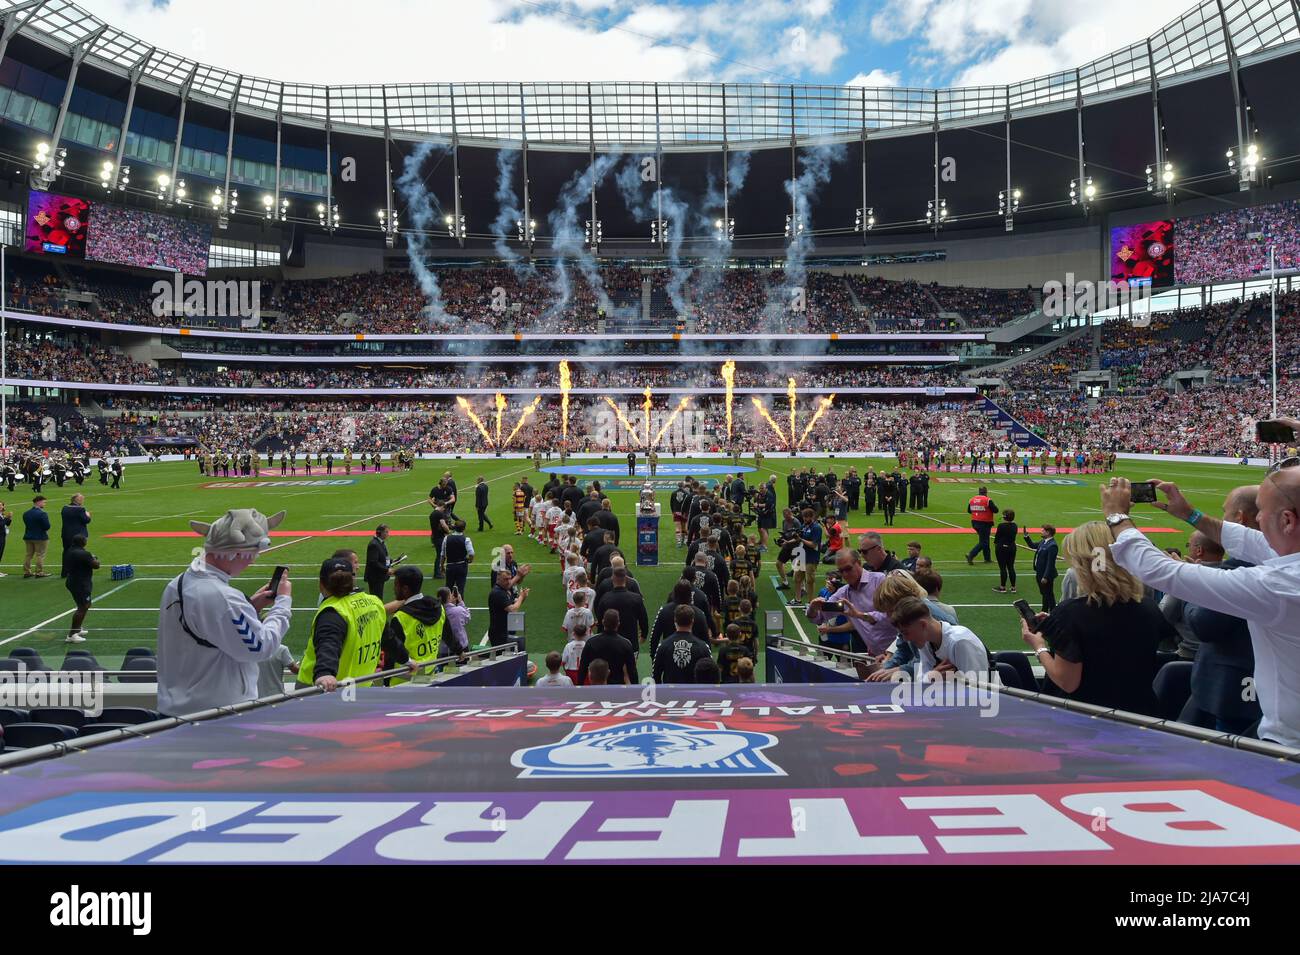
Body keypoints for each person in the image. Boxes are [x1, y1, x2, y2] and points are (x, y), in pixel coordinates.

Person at [1101, 467, 1300, 746]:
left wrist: (1117, 517)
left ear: (1288, 520)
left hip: (1291, 743)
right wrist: (1189, 514)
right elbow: (1251, 541)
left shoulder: (1279, 586)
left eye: (1261, 511)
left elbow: (1160, 571)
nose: (1256, 519)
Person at [1020, 520, 1171, 716]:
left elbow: (1067, 682)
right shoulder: (1148, 607)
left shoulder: (1069, 613)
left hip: (1086, 718)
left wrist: (1039, 646)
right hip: (1140, 714)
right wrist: (1057, 627)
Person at [156, 509, 293, 715]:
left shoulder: (178, 584)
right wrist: (282, 603)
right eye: (252, 554)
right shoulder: (224, 598)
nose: (252, 561)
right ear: (236, 552)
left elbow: (209, 630)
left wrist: (251, 608)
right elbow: (260, 647)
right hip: (218, 715)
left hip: (180, 709)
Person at [298, 557, 414, 691]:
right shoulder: (374, 602)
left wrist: (325, 673)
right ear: (352, 579)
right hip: (360, 686)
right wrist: (406, 660)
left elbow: (328, 644)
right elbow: (388, 638)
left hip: (323, 688)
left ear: (321, 583)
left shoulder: (333, 611)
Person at [806, 548, 895, 655]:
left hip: (899, 651)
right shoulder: (843, 593)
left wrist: (860, 615)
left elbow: (894, 614)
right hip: (877, 654)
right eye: (841, 571)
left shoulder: (880, 580)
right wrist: (812, 608)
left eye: (848, 569)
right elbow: (819, 618)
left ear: (859, 563)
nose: (845, 574)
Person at [889, 596, 990, 681]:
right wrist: (932, 676)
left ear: (922, 625)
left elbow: (976, 688)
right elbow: (920, 680)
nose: (906, 639)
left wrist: (932, 679)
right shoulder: (926, 641)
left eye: (906, 633)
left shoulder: (960, 642)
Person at [384, 565, 445, 685]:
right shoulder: (439, 608)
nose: (394, 588)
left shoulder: (401, 617)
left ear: (405, 589)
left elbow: (392, 653)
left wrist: (386, 680)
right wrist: (459, 651)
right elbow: (448, 635)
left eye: (396, 584)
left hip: (401, 682)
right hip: (429, 674)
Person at [653, 604, 713, 683]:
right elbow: (711, 674)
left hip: (670, 694)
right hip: (694, 694)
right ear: (692, 621)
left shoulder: (663, 646)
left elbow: (655, 676)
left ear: (675, 620)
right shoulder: (703, 647)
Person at [579, 609, 639, 685]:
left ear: (603, 622)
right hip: (618, 688)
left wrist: (579, 686)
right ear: (618, 623)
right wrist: (636, 689)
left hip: (597, 688)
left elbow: (582, 668)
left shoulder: (591, 642)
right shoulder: (626, 644)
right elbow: (632, 671)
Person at [61, 534, 98, 644]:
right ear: (83, 542)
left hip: (73, 580)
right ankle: (72, 635)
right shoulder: (84, 553)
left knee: (83, 605)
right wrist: (95, 558)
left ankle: (77, 628)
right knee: (83, 606)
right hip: (81, 583)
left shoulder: (70, 551)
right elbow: (96, 565)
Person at [487, 569, 528, 652]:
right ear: (498, 580)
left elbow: (514, 604)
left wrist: (522, 597)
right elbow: (512, 609)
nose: (509, 581)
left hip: (505, 631)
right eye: (506, 579)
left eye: (510, 578)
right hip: (498, 634)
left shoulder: (504, 591)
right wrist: (521, 597)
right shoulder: (497, 593)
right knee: (502, 658)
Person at [1024, 523, 1059, 612]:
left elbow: (1050, 563)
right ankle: (1045, 610)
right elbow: (1032, 545)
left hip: (1046, 574)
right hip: (1040, 572)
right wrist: (1026, 537)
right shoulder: (1044, 542)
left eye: (1043, 530)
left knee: (1048, 594)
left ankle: (1052, 610)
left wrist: (1045, 576)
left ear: (1048, 532)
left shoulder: (1052, 545)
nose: (1041, 532)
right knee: (1045, 593)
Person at [59, 492, 91, 579]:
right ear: (78, 500)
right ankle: (76, 571)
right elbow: (86, 520)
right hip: (78, 535)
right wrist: (88, 515)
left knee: (66, 552)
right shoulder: (80, 509)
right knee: (79, 552)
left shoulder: (65, 508)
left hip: (66, 533)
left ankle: (65, 572)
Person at [964, 485, 998, 564]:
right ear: (986, 492)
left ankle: (987, 558)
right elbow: (996, 510)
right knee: (984, 542)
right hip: (985, 523)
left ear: (979, 492)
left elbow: (969, 510)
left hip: (975, 522)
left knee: (984, 540)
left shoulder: (972, 499)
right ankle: (971, 554)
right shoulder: (987, 500)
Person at [442, 519, 474, 600]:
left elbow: (443, 554)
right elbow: (471, 553)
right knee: (460, 588)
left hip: (450, 566)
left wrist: (441, 566)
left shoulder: (446, 538)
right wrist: (469, 560)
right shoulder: (466, 539)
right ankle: (460, 606)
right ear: (464, 529)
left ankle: (447, 606)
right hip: (462, 566)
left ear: (454, 527)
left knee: (448, 588)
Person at [21, 495, 51, 578]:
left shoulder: (26, 513)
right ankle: (39, 572)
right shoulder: (42, 513)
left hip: (28, 536)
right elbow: (47, 526)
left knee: (28, 554)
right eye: (44, 502)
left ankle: (27, 571)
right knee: (40, 554)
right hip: (40, 537)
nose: (44, 504)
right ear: (38, 502)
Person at [993, 508, 1019, 593]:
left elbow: (997, 538)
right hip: (1012, 547)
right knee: (1011, 567)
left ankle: (1002, 587)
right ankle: (1013, 587)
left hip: (1001, 548)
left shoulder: (1001, 526)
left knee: (1003, 568)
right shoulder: (1015, 526)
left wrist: (996, 544)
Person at [364, 523, 393, 599]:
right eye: (386, 532)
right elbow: (373, 562)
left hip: (378, 576)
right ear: (380, 533)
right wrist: (387, 569)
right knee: (376, 598)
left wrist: (391, 561)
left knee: (378, 597)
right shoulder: (374, 544)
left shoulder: (379, 543)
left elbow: (382, 557)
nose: (388, 534)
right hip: (375, 577)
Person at [0, 499, 10, 577]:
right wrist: (6, 518)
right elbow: (0, 524)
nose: (1, 506)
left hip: (2, 536)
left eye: (2, 505)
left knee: (1, 553)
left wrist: (9, 518)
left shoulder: (1, 514)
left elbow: (7, 524)